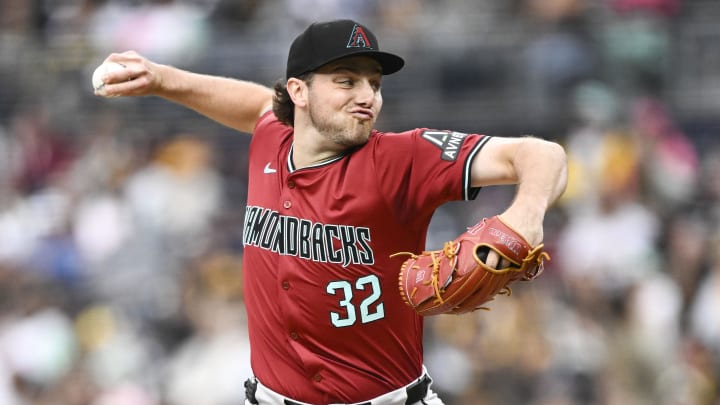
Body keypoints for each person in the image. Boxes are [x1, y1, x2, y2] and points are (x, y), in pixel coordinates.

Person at [94, 19, 568, 405]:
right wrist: (161, 79)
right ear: (298, 92)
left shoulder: (402, 158)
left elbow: (543, 155)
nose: (367, 96)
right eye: (346, 81)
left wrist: (524, 216)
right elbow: (258, 105)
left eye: (374, 83)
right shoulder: (272, 138)